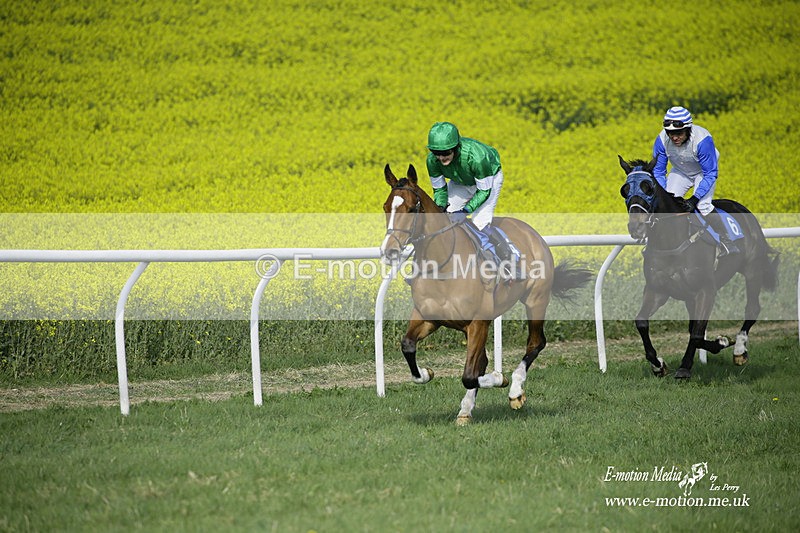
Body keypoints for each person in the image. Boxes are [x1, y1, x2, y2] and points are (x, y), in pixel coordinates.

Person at [425, 121, 524, 279]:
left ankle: (510, 260)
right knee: (443, 221)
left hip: (488, 180)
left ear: (456, 147)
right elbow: (439, 189)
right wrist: (441, 206)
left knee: (479, 223)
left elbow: (484, 191)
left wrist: (465, 211)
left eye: (445, 152)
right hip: (461, 182)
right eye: (436, 152)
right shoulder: (432, 161)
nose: (441, 157)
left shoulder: (477, 157)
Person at [652, 106, 738, 256]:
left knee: (702, 205)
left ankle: (726, 240)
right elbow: (658, 171)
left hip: (703, 172)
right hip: (680, 171)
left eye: (678, 133)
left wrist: (694, 198)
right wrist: (664, 194)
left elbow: (710, 173)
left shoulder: (703, 140)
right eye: (670, 133)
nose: (674, 137)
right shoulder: (661, 140)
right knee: (668, 206)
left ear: (688, 129)